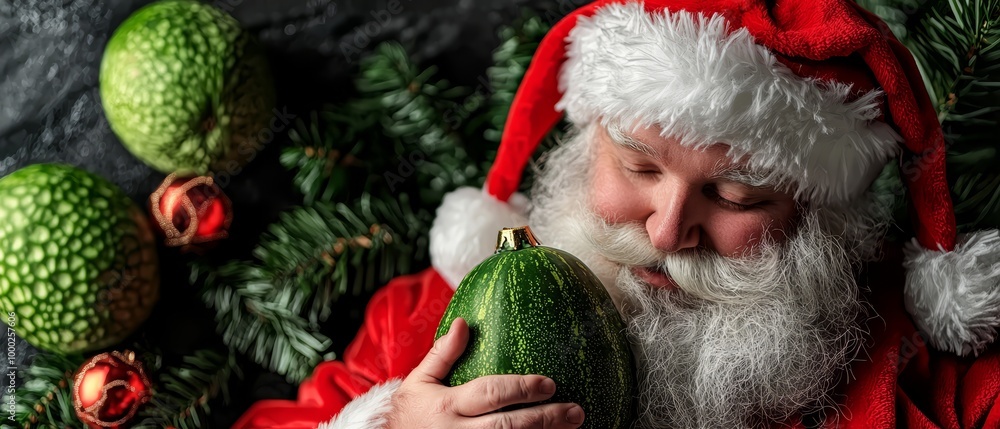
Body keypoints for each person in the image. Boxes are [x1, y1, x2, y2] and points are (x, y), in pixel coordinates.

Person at [235, 0, 1000, 427]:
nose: (667, 232)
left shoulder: (921, 378)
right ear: (584, 144)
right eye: (638, 166)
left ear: (821, 213)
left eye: (737, 196)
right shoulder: (429, 324)